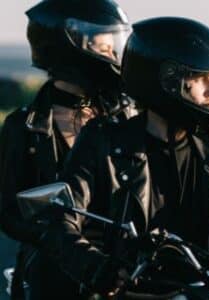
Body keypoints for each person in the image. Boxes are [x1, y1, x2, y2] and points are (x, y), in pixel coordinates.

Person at [24, 17, 209, 298]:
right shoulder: (104, 143)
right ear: (168, 81)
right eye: (200, 79)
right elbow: (60, 217)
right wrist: (94, 265)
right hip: (139, 292)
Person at [0, 0, 132, 299]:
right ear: (72, 44)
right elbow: (8, 212)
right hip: (54, 276)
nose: (114, 54)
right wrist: (55, 237)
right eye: (104, 46)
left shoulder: (125, 117)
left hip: (123, 274)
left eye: (115, 44)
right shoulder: (23, 126)